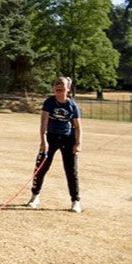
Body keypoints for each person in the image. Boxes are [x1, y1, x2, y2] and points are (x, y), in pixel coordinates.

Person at [27, 76, 83, 213]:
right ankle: (35, 197)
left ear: (68, 88)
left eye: (61, 84)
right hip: (51, 138)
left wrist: (78, 143)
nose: (58, 86)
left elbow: (77, 126)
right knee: (40, 168)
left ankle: (75, 201)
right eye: (56, 84)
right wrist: (43, 141)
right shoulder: (49, 102)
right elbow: (43, 123)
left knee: (71, 171)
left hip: (67, 139)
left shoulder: (72, 105)